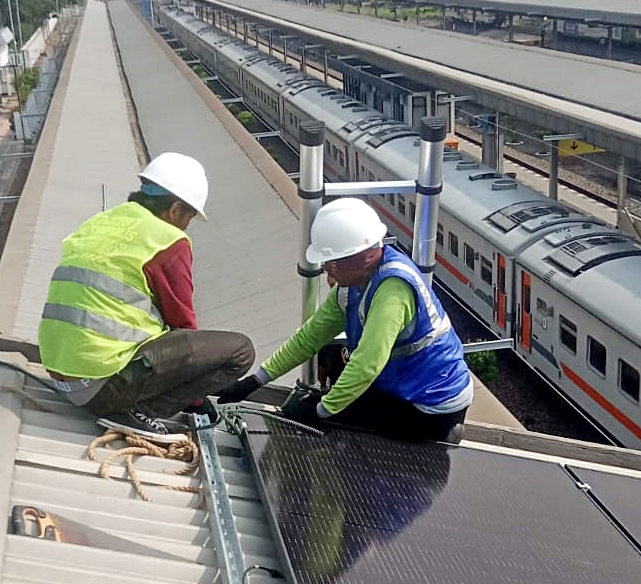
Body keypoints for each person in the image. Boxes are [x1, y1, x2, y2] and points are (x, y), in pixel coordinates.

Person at [38, 151, 255, 439]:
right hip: (101, 388)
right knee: (240, 351)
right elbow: (184, 327)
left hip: (62, 376)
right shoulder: (167, 240)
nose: (187, 226)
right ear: (176, 209)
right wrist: (195, 398)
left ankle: (126, 401)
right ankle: (138, 411)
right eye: (188, 217)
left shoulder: (100, 221)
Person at [218, 198, 472, 442]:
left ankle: (441, 434)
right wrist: (256, 380)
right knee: (321, 405)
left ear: (368, 256)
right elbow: (310, 337)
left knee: (332, 421)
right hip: (402, 388)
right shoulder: (350, 286)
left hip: (432, 403)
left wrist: (321, 411)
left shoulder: (393, 291)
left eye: (334, 261)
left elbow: (366, 364)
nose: (327, 268)